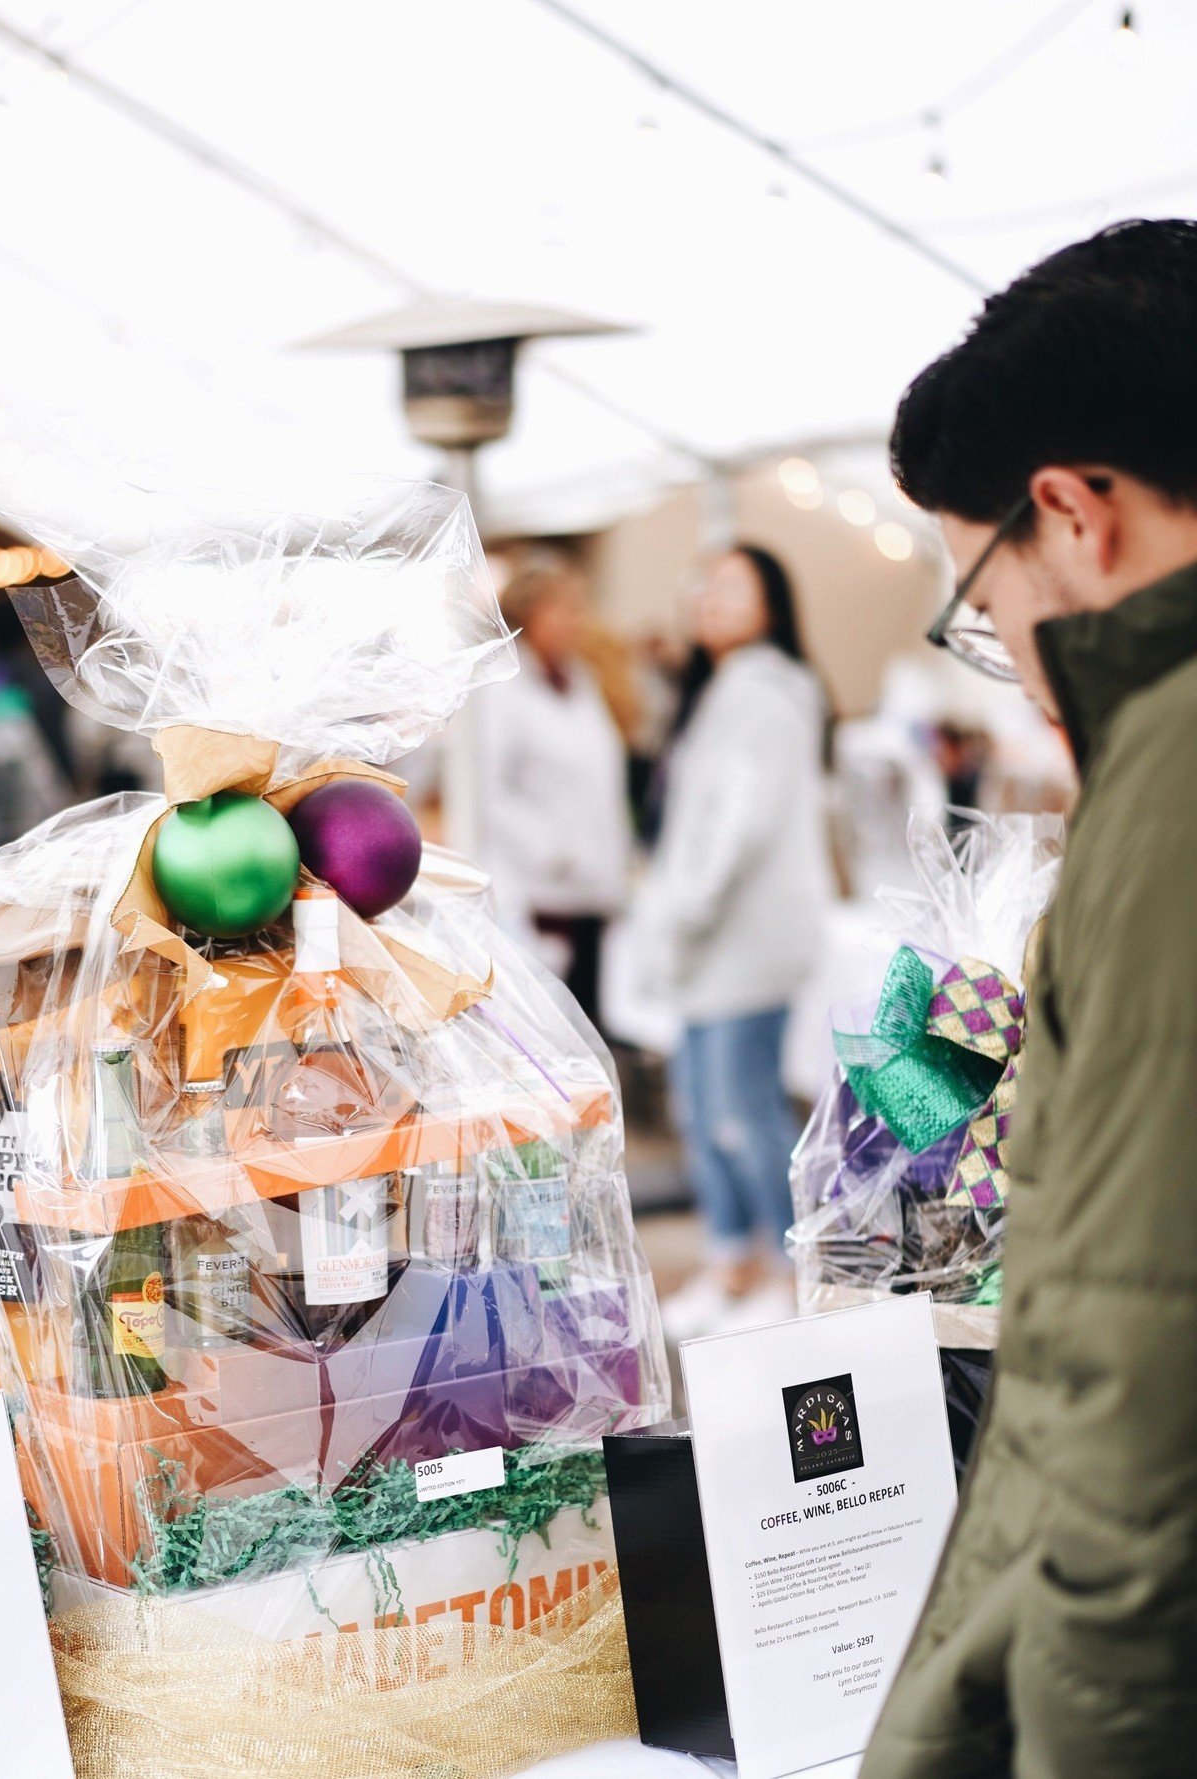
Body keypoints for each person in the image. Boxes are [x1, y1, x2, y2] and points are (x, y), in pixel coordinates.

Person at [862, 218, 1197, 1779]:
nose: (1009, 653)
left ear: (1073, 511)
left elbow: (1138, 1366)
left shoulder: (1179, 775)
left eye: (981, 610)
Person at [646, 545, 832, 1336]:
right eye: (704, 583)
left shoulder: (766, 692)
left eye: (732, 585)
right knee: (701, 1103)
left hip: (741, 937)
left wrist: (685, 906)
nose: (710, 598)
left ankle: (794, 1275)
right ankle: (732, 1262)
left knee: (741, 1109)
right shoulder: (729, 691)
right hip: (714, 939)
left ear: (773, 602)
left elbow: (739, 822)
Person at [475, 554, 630, 1029]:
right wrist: (551, 851)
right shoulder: (502, 688)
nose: (573, 622)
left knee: (592, 1027)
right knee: (550, 1029)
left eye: (577, 609)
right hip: (540, 895)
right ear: (527, 615)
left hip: (591, 893)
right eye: (560, 609)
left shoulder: (580, 681)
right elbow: (486, 789)